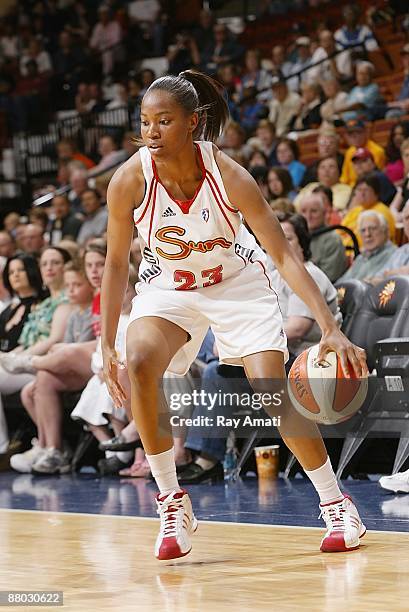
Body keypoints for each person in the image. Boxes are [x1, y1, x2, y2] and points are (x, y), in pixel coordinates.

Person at [101, 70, 368, 561]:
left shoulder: (229, 176)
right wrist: (106, 345)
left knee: (270, 389)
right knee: (138, 361)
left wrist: (330, 328)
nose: (152, 132)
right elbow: (117, 262)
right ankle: (172, 502)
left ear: (193, 122)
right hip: (170, 286)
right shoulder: (130, 179)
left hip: (237, 285)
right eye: (145, 122)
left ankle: (336, 502)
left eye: (164, 121)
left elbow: (285, 255)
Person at [298, 193, 348, 282]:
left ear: (324, 213)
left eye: (314, 211)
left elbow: (329, 278)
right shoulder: (296, 237)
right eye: (303, 211)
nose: (308, 216)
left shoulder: (333, 240)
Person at [338, 211, 396, 283]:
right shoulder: (361, 257)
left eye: (373, 228)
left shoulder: (395, 255)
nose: (367, 234)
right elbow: (341, 283)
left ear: (385, 230)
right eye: (363, 230)